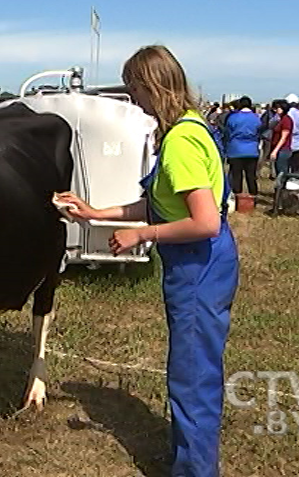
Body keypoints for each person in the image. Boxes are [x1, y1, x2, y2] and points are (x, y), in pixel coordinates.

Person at [57, 45, 238, 477]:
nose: (133, 98)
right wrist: (95, 213)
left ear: (152, 85)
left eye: (134, 87)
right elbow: (162, 205)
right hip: (198, 261)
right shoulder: (187, 129)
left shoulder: (182, 143)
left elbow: (204, 222)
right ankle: (188, 458)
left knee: (192, 375)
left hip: (198, 263)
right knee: (193, 367)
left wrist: (141, 235)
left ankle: (195, 470)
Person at [223, 96, 261, 207]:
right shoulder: (256, 118)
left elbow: (227, 132)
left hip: (235, 149)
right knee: (251, 175)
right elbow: (259, 131)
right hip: (252, 149)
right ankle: (253, 198)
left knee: (236, 175)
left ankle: (237, 199)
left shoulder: (233, 117)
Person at [268, 99, 293, 179]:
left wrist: (275, 150)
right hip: (279, 148)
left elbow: (283, 137)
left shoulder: (286, 120)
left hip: (283, 149)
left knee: (282, 172)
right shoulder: (280, 119)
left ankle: (282, 188)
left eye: (278, 108)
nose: (276, 110)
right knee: (279, 170)